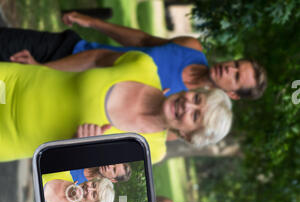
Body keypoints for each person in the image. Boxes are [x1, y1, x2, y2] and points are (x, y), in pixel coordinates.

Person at [0, 41, 232, 163]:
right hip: (12, 81)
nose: (188, 105)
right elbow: (95, 58)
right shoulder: (143, 65)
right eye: (197, 99)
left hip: (8, 139)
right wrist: (44, 67)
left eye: (195, 116)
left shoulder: (148, 149)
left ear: (187, 135)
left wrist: (79, 148)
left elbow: (66, 172)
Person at [5, 12, 267, 100]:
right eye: (235, 64)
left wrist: (41, 71)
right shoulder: (192, 47)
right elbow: (142, 40)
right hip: (70, 50)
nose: (228, 68)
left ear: (233, 94)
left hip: (63, 87)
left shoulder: (181, 103)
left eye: (235, 77)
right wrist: (92, 22)